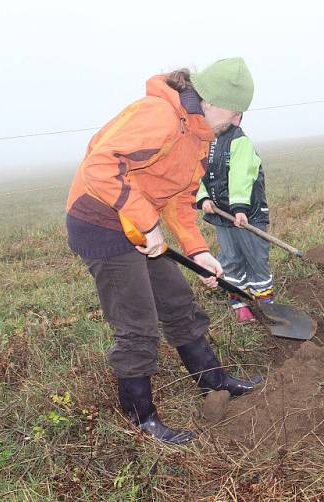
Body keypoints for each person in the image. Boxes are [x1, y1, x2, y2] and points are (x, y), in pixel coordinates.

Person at [65, 58, 263, 445]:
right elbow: (99, 166)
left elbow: (177, 199)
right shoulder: (161, 116)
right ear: (213, 100)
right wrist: (148, 222)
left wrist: (198, 250)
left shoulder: (199, 135)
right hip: (102, 223)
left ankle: (214, 381)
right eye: (237, 111)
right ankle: (141, 420)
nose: (238, 121)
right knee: (137, 324)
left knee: (177, 303)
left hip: (140, 225)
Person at [195, 120, 273, 322]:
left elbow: (242, 174)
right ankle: (240, 303)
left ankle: (265, 304)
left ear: (235, 117)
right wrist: (202, 196)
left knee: (256, 256)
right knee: (231, 258)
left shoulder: (239, 140)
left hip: (248, 214)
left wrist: (239, 207)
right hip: (221, 215)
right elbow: (195, 172)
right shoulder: (201, 142)